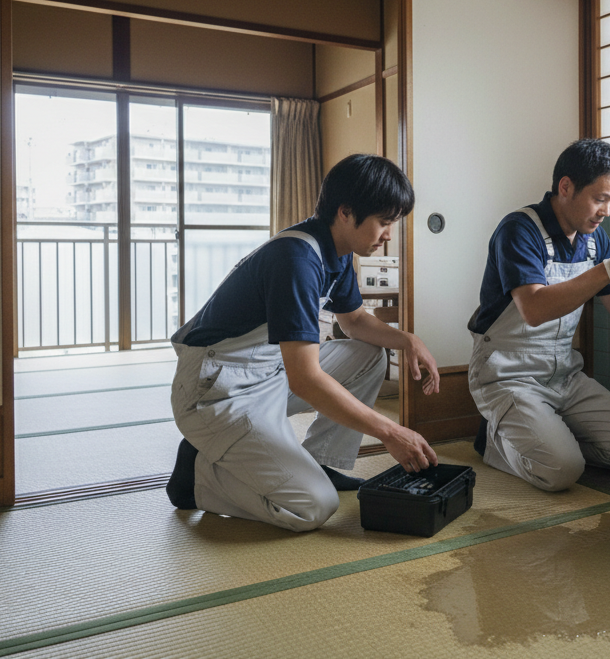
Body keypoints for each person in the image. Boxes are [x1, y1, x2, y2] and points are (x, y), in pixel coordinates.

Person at [164, 154, 441, 532]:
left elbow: (355, 321)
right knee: (313, 507)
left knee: (367, 354)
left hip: (266, 372)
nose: (389, 234)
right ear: (346, 212)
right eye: (384, 222)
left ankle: (321, 462)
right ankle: (196, 480)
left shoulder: (338, 253)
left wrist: (407, 340)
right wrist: (391, 432)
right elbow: (305, 380)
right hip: (217, 390)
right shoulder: (296, 259)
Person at [468, 138, 610, 491]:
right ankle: (496, 444)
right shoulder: (519, 230)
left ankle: (550, 443)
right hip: (508, 373)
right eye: (600, 199)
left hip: (563, 374)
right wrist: (607, 271)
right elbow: (535, 310)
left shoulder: (594, 238)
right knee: (560, 472)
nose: (606, 212)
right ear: (566, 187)